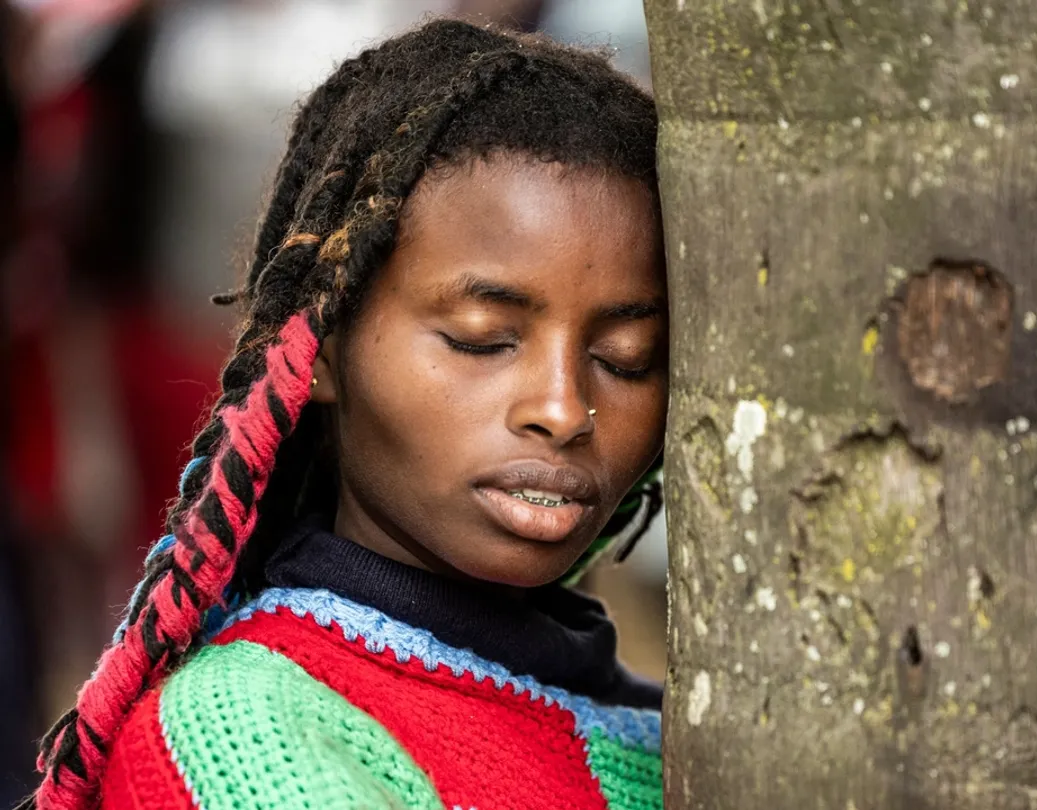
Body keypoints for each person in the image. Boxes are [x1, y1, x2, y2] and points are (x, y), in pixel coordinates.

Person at [24, 18, 666, 810]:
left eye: (626, 358)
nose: (563, 409)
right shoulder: (247, 731)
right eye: (482, 339)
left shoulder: (664, 723)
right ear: (320, 347)